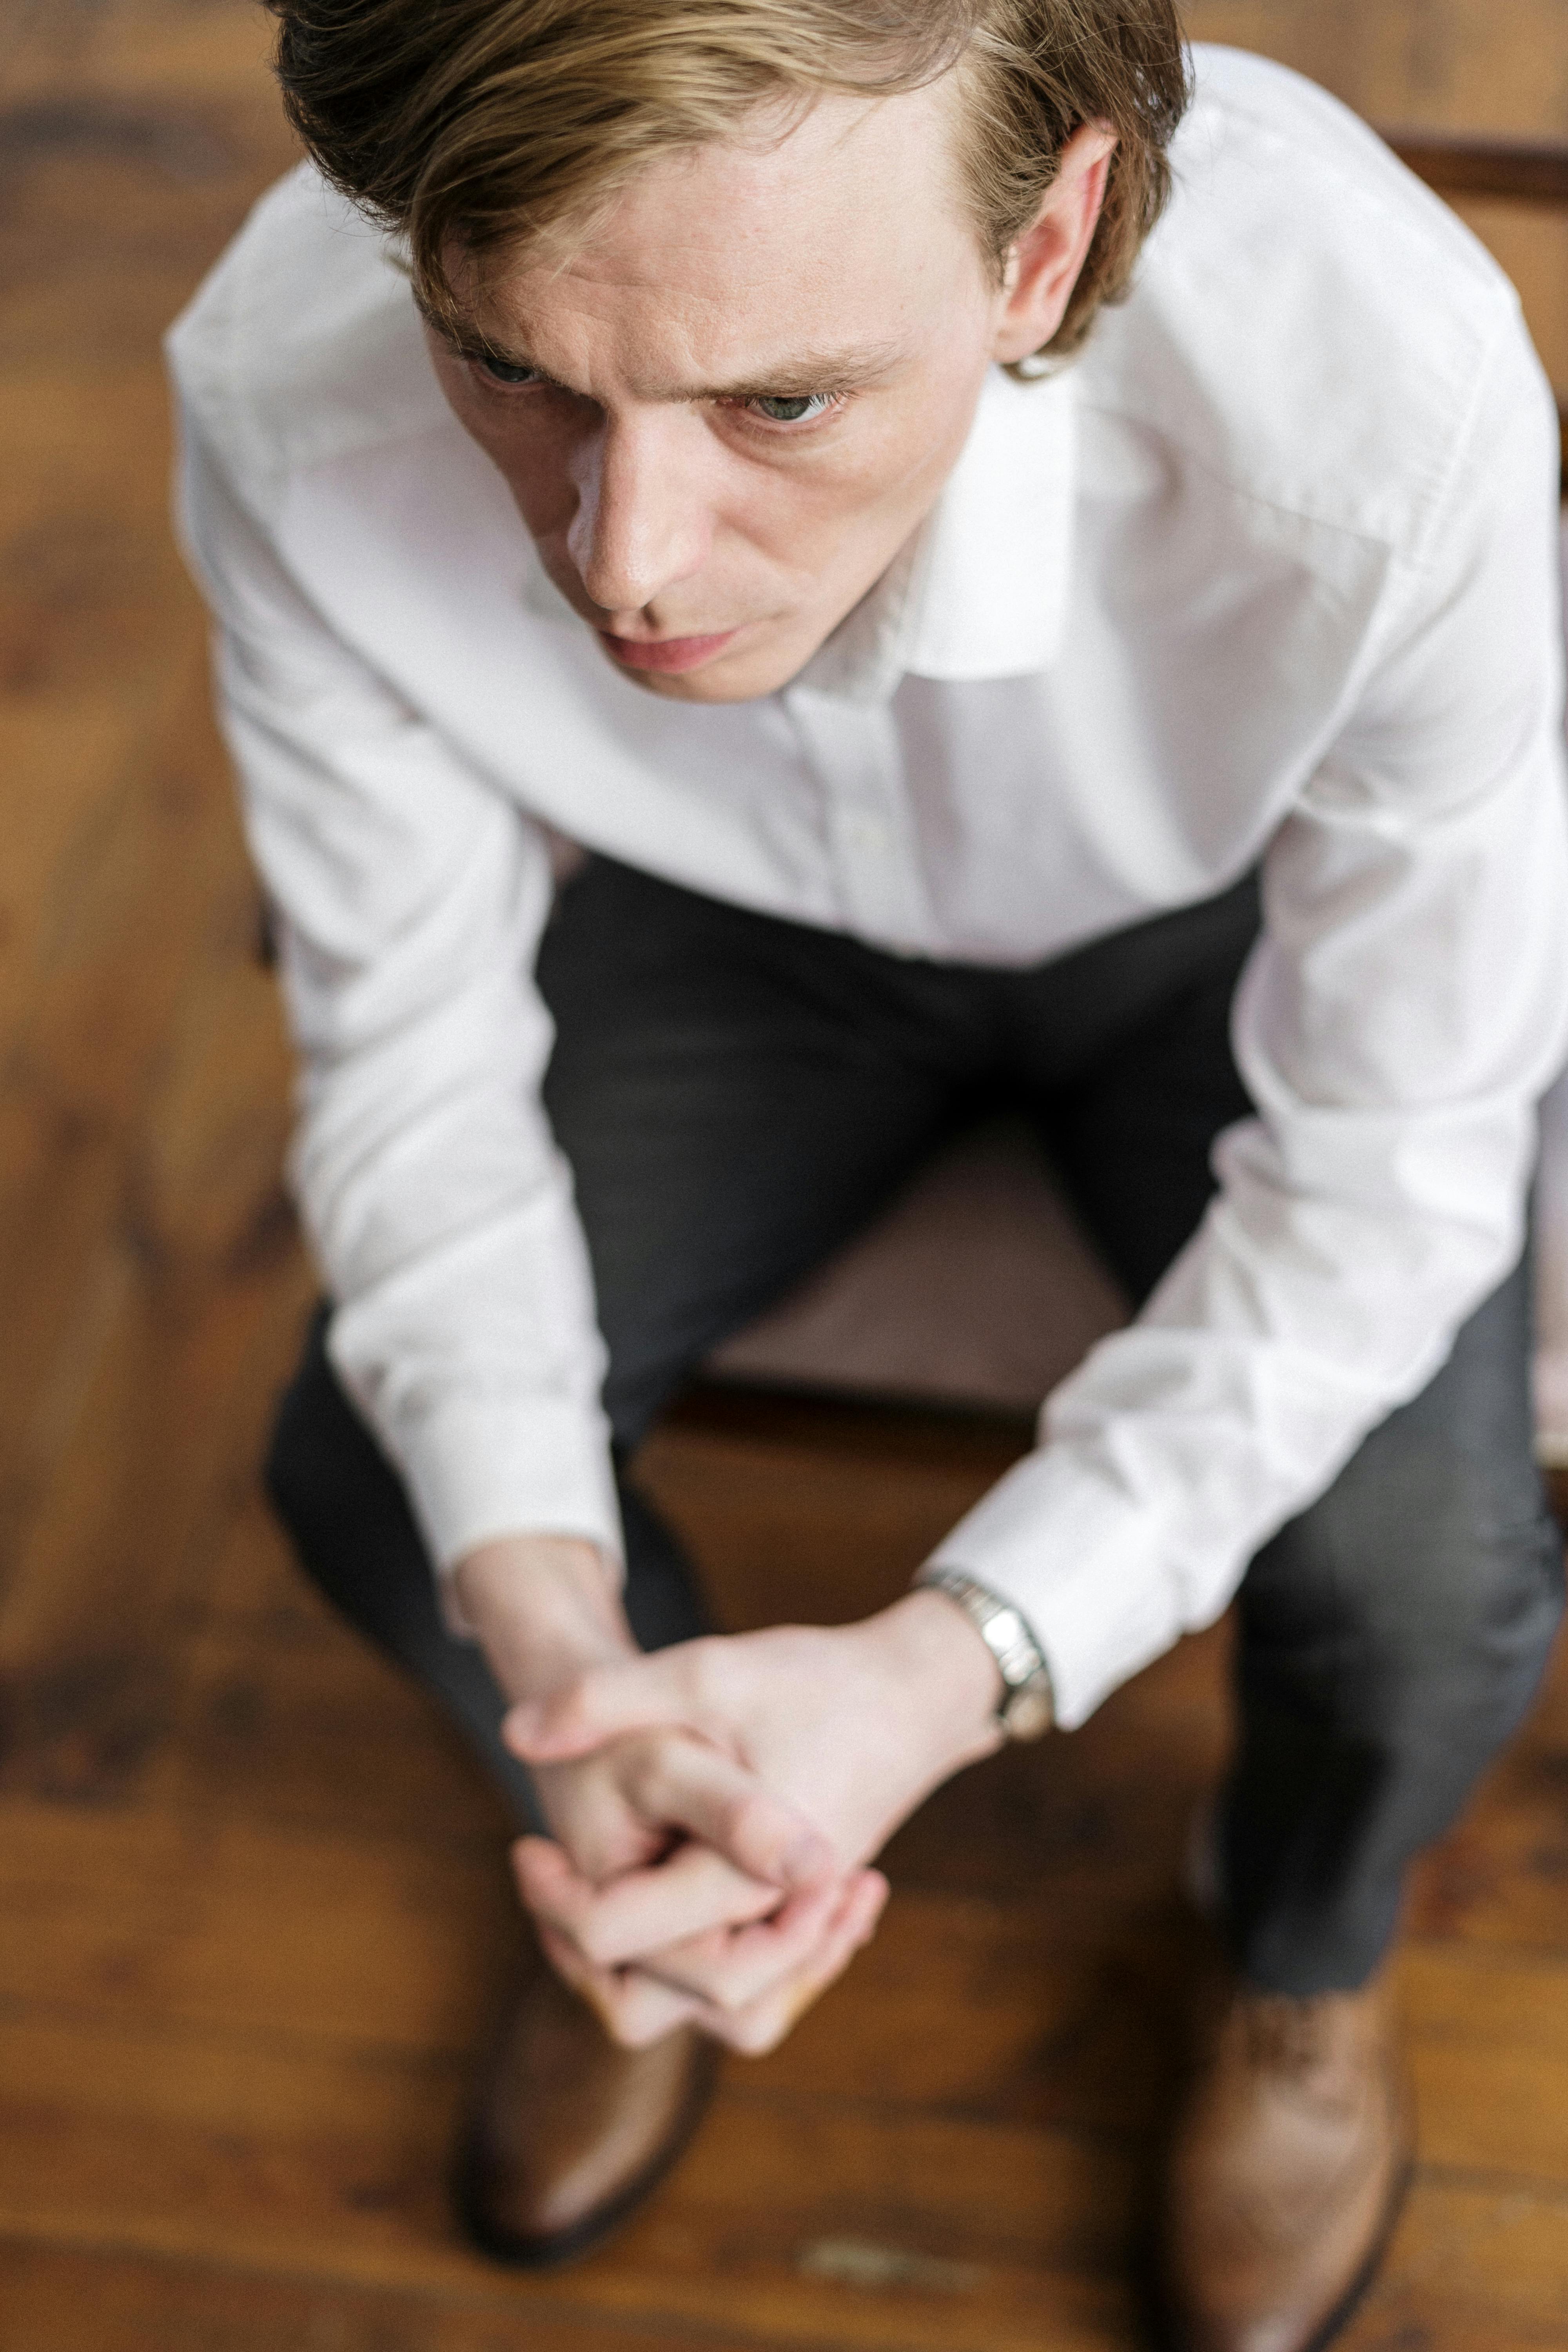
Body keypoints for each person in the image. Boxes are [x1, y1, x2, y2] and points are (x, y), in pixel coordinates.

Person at [165, 1, 1568, 2343]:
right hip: (738, 936)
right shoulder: (276, 382)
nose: (628, 565)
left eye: (779, 404)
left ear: (1044, 251)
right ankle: (636, 1829)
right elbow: (405, 1053)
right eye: (513, 372)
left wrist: (938, 1678)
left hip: (1224, 928)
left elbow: (1395, 1163)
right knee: (366, 1470)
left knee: (1430, 1582)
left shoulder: (1379, 397)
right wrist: (573, 1661)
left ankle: (1298, 1959)